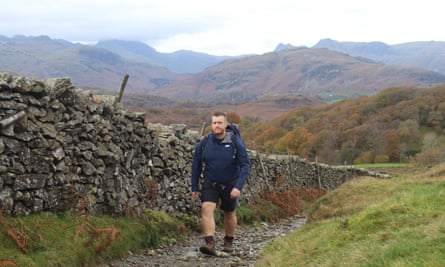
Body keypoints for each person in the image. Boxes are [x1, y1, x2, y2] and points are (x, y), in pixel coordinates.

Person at [191, 111, 250, 255]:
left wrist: (238, 187)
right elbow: (196, 165)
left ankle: (228, 240)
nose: (217, 126)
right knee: (206, 208)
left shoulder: (235, 142)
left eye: (220, 123)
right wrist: (194, 186)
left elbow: (245, 165)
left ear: (226, 124)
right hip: (211, 182)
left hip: (230, 183)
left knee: (229, 213)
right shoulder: (204, 143)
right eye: (214, 123)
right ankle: (209, 242)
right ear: (211, 124)